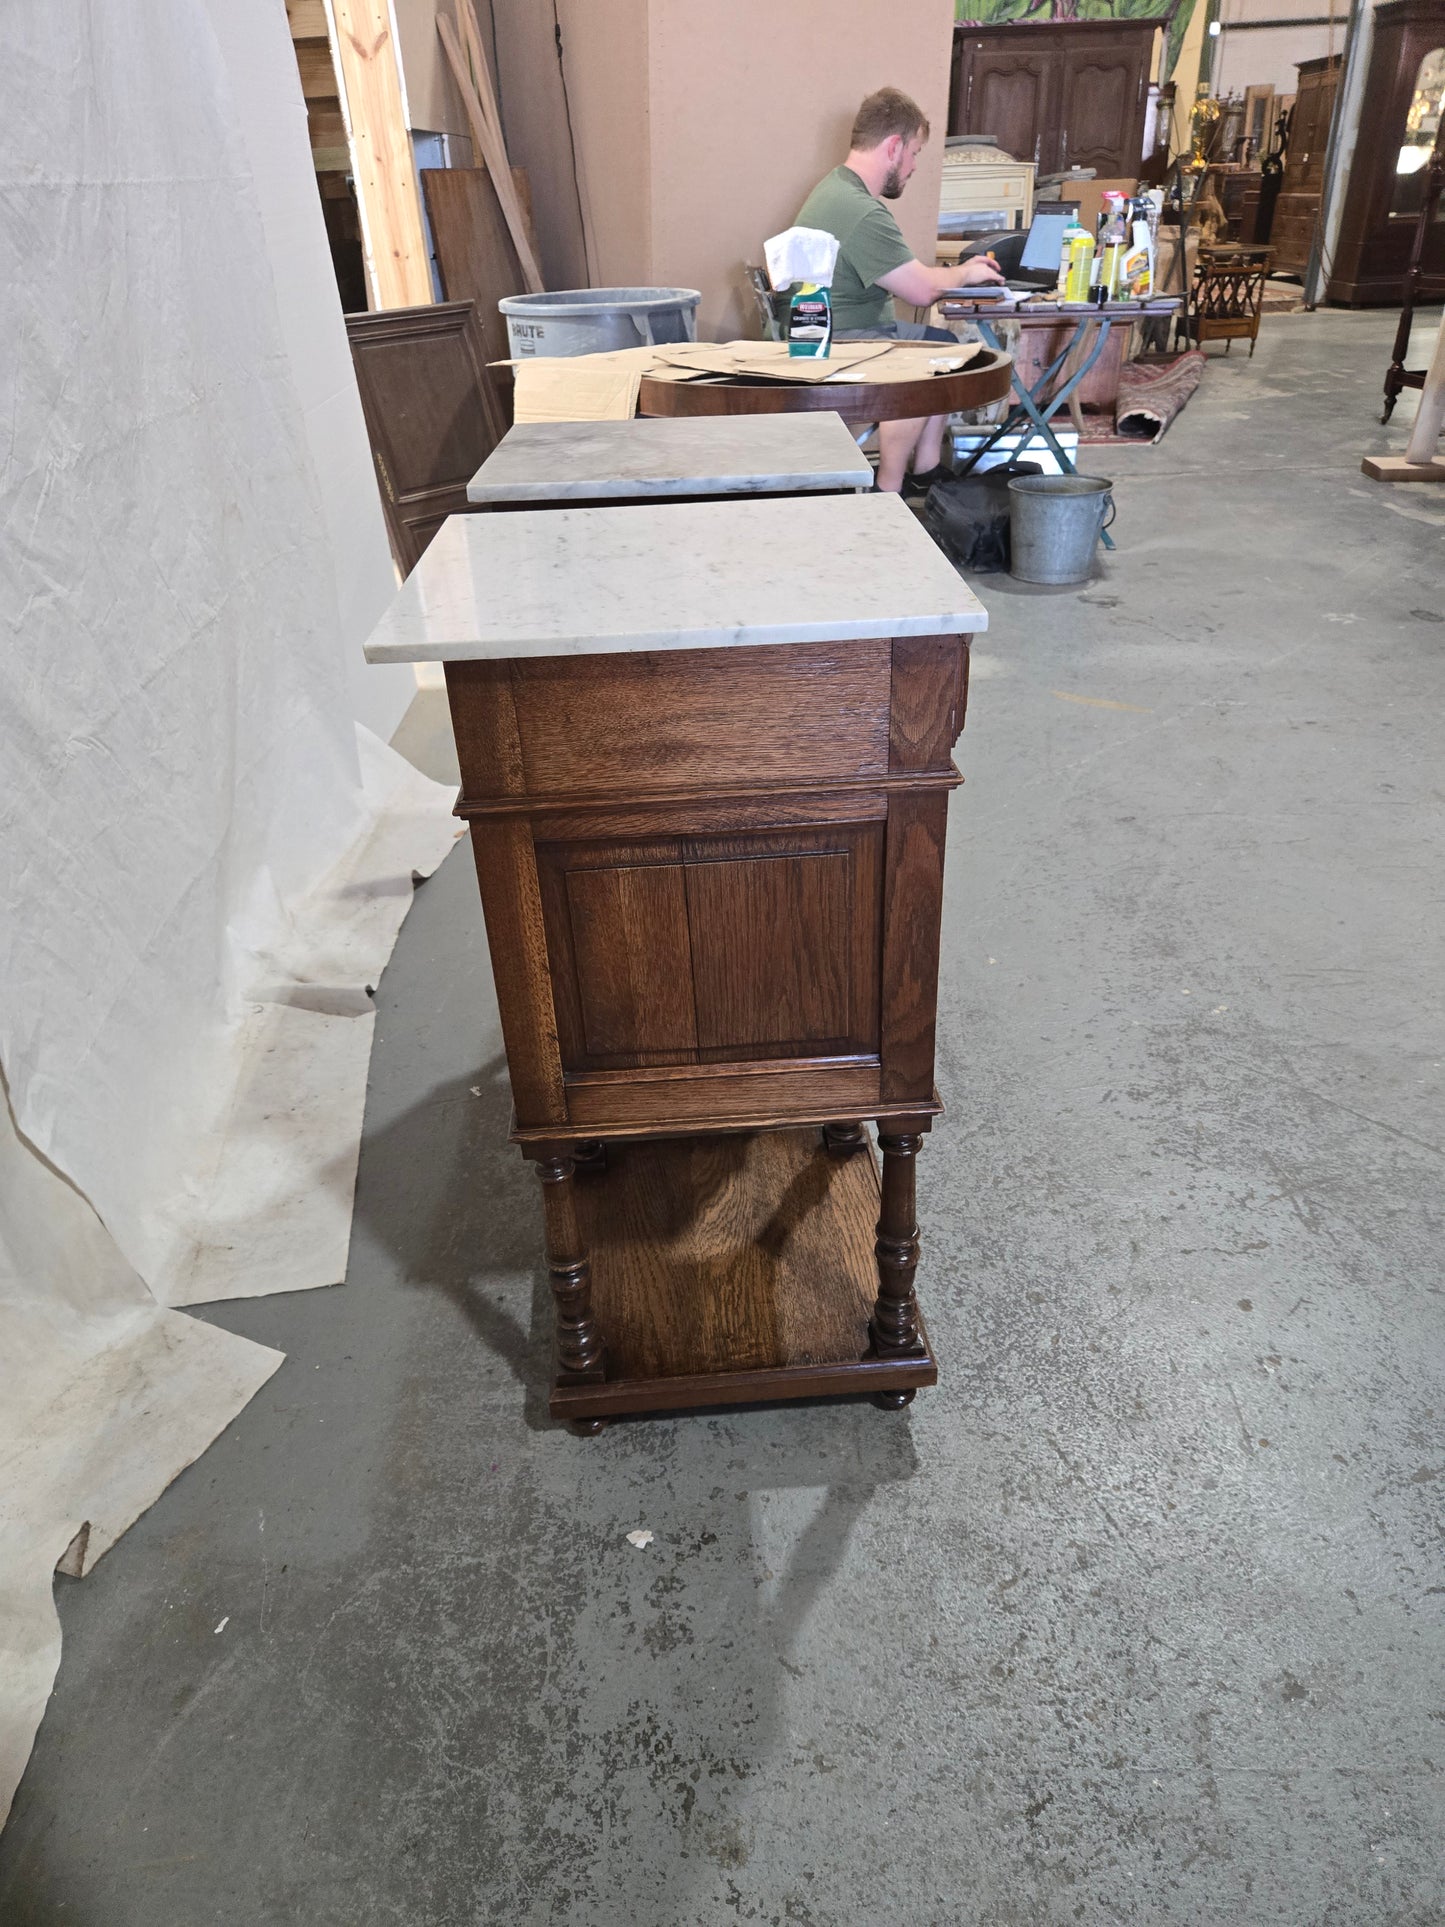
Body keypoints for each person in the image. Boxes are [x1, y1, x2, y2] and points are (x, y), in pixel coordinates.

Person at [795, 87, 1004, 493]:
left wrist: (958, 272)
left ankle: (925, 471)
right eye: (915, 153)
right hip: (843, 342)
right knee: (929, 363)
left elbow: (910, 277)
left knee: (943, 345)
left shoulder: (836, 189)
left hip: (829, 335)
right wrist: (967, 272)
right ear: (893, 147)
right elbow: (922, 290)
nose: (913, 166)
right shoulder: (859, 210)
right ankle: (889, 488)